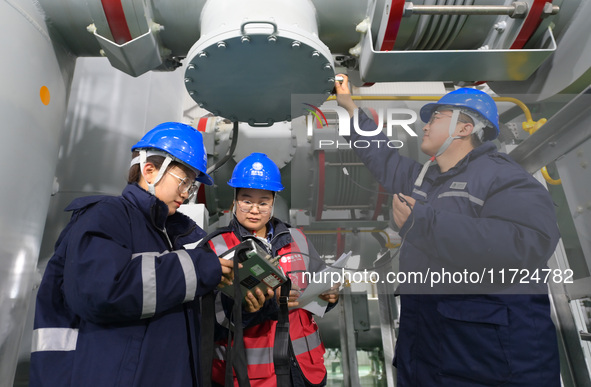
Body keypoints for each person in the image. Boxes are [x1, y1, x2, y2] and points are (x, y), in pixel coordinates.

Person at [334, 75, 561, 386]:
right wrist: (349, 110)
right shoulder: (425, 180)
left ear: (464, 128)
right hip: (430, 350)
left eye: (436, 118)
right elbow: (382, 157)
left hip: (489, 362)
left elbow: (526, 244)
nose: (425, 126)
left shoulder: (503, 177)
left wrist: (423, 223)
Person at [29, 122, 236, 387]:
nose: (186, 194)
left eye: (192, 186)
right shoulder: (106, 216)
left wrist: (242, 302)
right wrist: (198, 269)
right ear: (150, 170)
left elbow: (199, 320)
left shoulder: (184, 234)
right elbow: (102, 290)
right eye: (184, 182)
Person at [200, 152, 339, 387]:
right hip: (251, 378)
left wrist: (331, 295)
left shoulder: (298, 239)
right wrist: (258, 307)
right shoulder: (216, 246)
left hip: (305, 371)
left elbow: (321, 283)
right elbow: (208, 320)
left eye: (263, 202)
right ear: (234, 200)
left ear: (273, 203)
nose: (255, 209)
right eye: (246, 200)